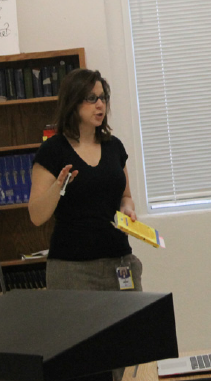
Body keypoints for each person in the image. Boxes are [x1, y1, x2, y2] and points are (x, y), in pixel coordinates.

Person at [28, 69, 141, 380]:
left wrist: (128, 211)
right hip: (73, 270)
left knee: (128, 351)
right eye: (91, 99)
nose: (99, 105)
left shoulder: (115, 147)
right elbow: (37, 215)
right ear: (73, 103)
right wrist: (59, 185)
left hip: (120, 264)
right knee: (84, 363)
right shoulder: (53, 151)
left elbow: (126, 197)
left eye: (102, 98)